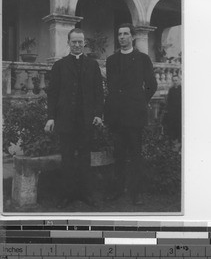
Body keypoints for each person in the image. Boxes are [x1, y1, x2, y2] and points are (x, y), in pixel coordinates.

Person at [44, 28, 104, 209]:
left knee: (85, 159)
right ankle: (66, 195)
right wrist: (51, 118)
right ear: (68, 43)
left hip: (86, 120)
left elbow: (98, 93)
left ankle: (86, 194)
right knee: (68, 158)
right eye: (74, 42)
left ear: (84, 43)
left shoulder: (93, 65)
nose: (77, 45)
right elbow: (53, 94)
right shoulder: (60, 66)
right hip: (66, 120)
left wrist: (97, 115)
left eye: (80, 42)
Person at [104, 23, 157, 205]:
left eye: (126, 34)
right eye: (119, 34)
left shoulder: (142, 59)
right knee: (118, 155)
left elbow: (152, 85)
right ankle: (117, 190)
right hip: (117, 116)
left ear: (132, 37)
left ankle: (136, 193)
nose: (122, 37)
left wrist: (140, 101)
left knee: (135, 156)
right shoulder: (111, 60)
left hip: (135, 116)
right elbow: (110, 87)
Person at [165, 74, 182, 148]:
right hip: (172, 112)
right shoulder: (171, 90)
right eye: (173, 80)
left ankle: (179, 141)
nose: (175, 82)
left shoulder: (182, 89)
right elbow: (169, 101)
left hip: (179, 112)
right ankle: (173, 140)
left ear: (179, 80)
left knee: (179, 126)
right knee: (172, 126)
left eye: (176, 80)